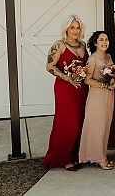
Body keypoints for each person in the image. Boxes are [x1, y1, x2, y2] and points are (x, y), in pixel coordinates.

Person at [42, 15, 89, 171]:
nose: (75, 30)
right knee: (69, 123)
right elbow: (49, 66)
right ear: (66, 29)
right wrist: (67, 78)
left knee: (80, 121)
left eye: (77, 27)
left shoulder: (82, 45)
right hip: (65, 88)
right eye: (72, 27)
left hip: (81, 89)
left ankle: (75, 155)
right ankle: (63, 157)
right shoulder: (59, 45)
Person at [79, 31, 115, 170]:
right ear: (95, 43)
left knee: (105, 125)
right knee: (97, 126)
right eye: (101, 40)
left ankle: (101, 155)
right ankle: (99, 158)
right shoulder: (93, 59)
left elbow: (112, 74)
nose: (104, 42)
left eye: (106, 39)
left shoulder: (109, 56)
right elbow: (87, 80)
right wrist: (104, 84)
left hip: (109, 94)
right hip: (97, 95)